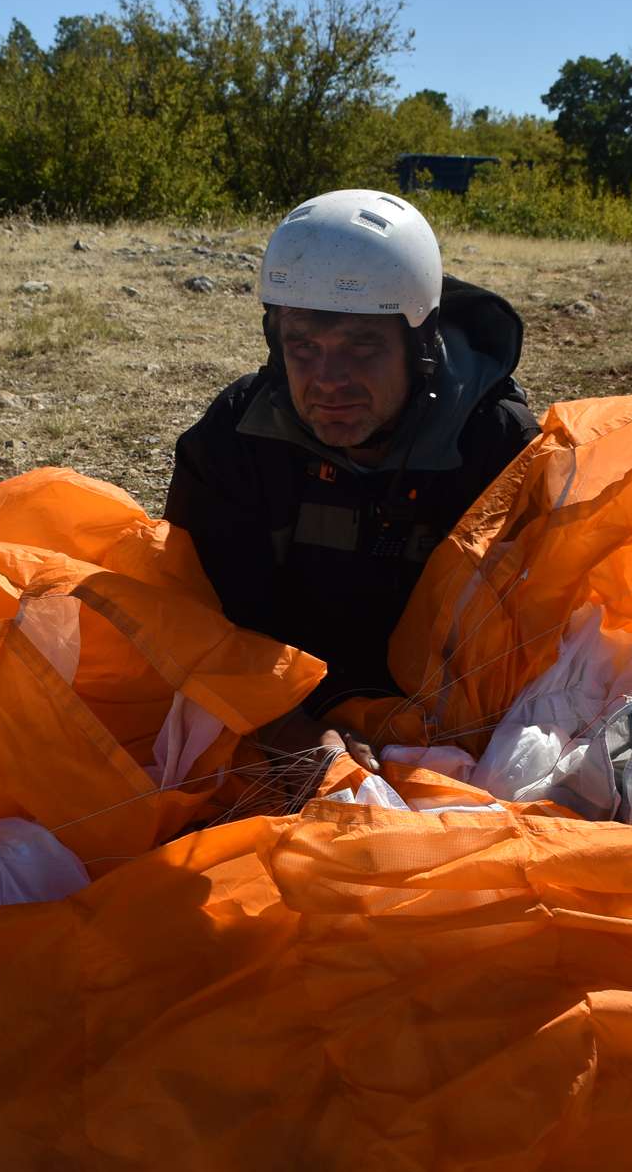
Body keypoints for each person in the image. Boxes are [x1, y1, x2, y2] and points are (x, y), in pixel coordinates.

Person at [164, 190, 537, 775]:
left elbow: (527, 641)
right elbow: (195, 614)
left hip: (444, 724)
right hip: (281, 706)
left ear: (421, 344)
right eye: (303, 347)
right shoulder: (237, 437)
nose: (329, 380)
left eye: (362, 345)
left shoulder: (495, 445)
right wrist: (285, 726)